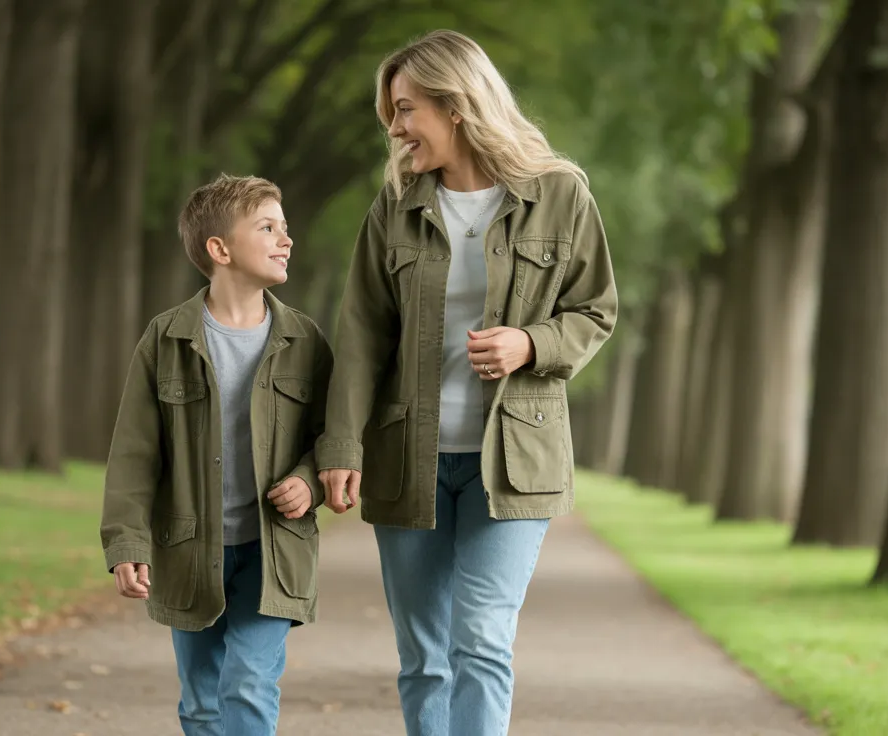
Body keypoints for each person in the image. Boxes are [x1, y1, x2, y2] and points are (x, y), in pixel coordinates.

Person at [314, 29, 618, 736]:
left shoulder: (559, 194)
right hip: (407, 458)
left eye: (407, 108)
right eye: (392, 110)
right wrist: (340, 447)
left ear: (457, 106)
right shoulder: (395, 205)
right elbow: (361, 333)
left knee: (479, 637)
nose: (395, 127)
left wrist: (530, 342)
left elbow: (595, 309)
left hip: (512, 464)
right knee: (424, 656)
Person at [100, 173, 332, 736]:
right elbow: (134, 453)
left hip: (274, 547)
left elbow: (335, 436)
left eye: (286, 228)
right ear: (219, 249)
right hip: (189, 549)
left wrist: (311, 482)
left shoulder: (305, 341)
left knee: (248, 683)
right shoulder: (166, 340)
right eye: (268, 227)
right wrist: (126, 542)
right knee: (202, 702)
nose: (286, 239)